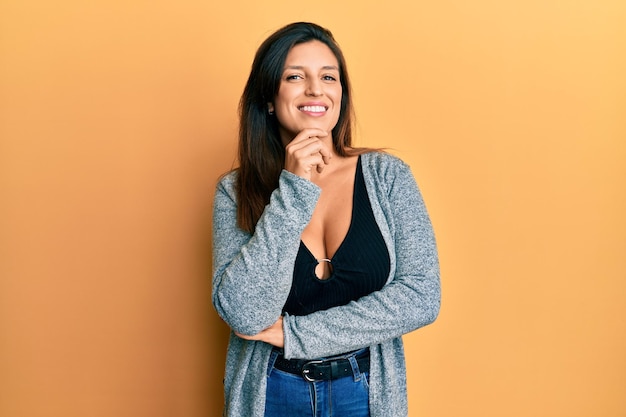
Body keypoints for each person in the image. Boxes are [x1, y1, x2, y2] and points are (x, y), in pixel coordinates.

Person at [212, 22, 440, 417]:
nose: (315, 89)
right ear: (269, 97)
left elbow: (421, 297)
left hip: (364, 389)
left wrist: (296, 334)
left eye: (328, 77)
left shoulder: (388, 176)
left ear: (340, 94)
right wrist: (293, 190)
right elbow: (244, 313)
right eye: (295, 76)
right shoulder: (235, 191)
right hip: (272, 391)